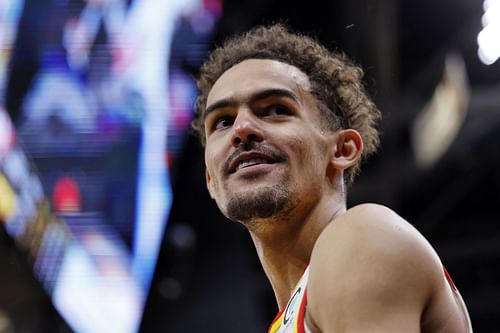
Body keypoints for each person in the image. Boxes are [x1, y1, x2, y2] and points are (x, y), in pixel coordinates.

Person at [191, 24, 473, 333]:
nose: (241, 129)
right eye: (222, 121)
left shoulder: (360, 235)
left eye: (274, 109)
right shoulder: (298, 308)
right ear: (210, 180)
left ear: (342, 149)